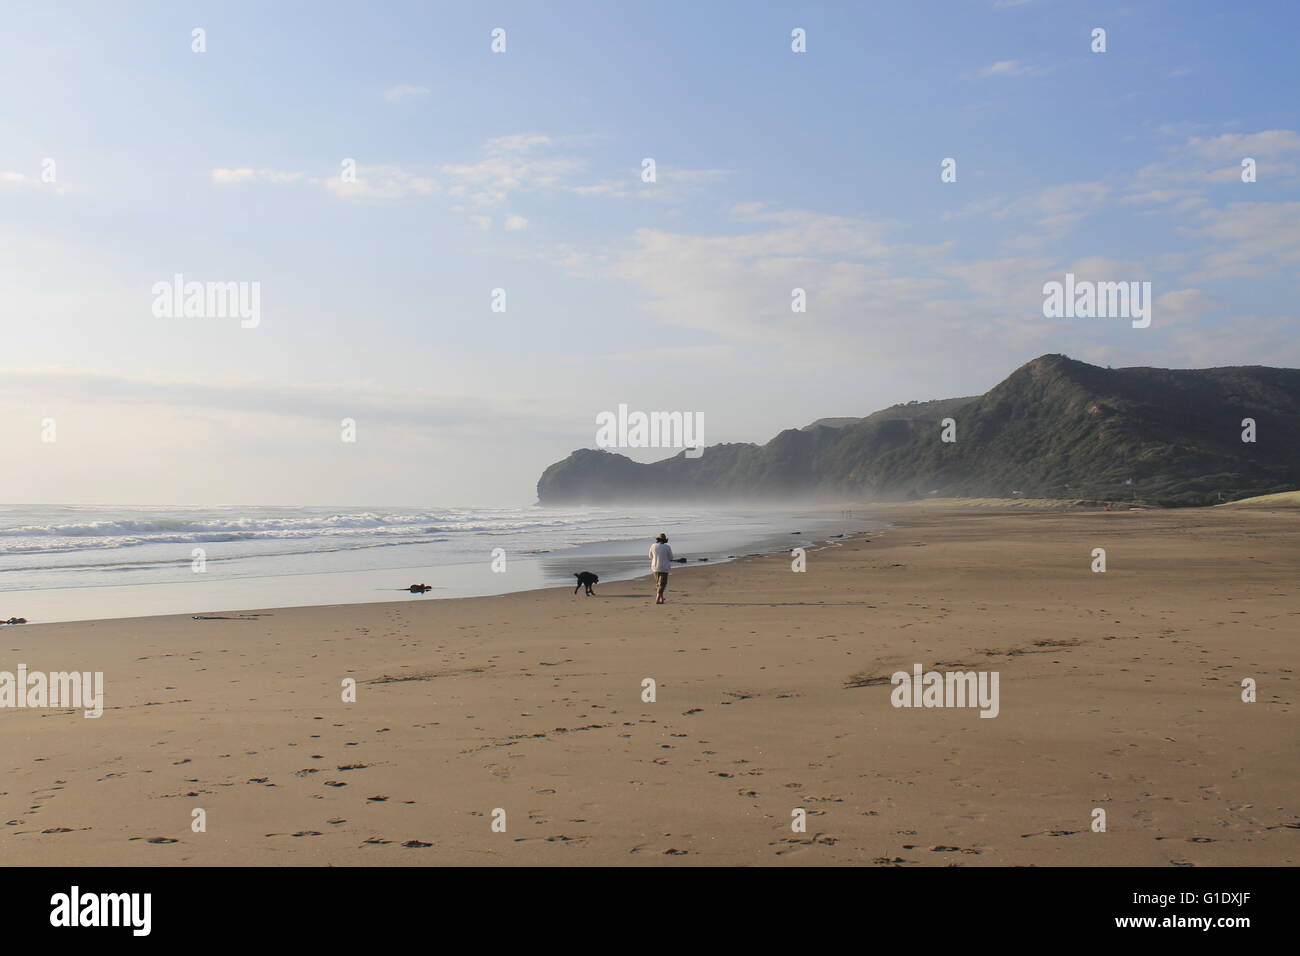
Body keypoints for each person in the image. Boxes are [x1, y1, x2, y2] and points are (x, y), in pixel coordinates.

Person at [648, 533, 673, 604]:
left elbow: (650, 556)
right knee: (662, 584)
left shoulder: (653, 546)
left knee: (658, 584)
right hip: (664, 567)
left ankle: (661, 599)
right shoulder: (667, 547)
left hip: (655, 567)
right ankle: (657, 598)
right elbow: (671, 557)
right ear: (665, 540)